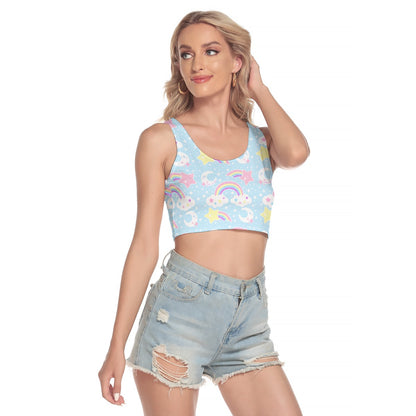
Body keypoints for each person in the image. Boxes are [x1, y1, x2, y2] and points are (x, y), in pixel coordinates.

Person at [98, 10, 310, 416]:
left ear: (237, 61)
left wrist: (259, 89)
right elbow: (144, 245)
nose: (196, 64)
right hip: (179, 315)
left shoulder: (262, 142)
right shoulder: (162, 140)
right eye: (186, 54)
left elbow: (297, 153)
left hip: (248, 322)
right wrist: (116, 346)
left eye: (211, 51)